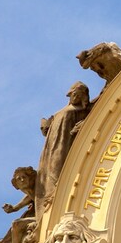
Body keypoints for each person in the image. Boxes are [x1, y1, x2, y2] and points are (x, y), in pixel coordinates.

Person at [36, 81, 91, 210]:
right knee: (49, 169)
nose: (75, 97)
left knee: (58, 165)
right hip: (52, 144)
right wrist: (47, 126)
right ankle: (52, 193)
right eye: (73, 94)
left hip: (64, 143)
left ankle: (58, 192)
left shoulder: (83, 110)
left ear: (84, 96)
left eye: (78, 95)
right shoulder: (64, 110)